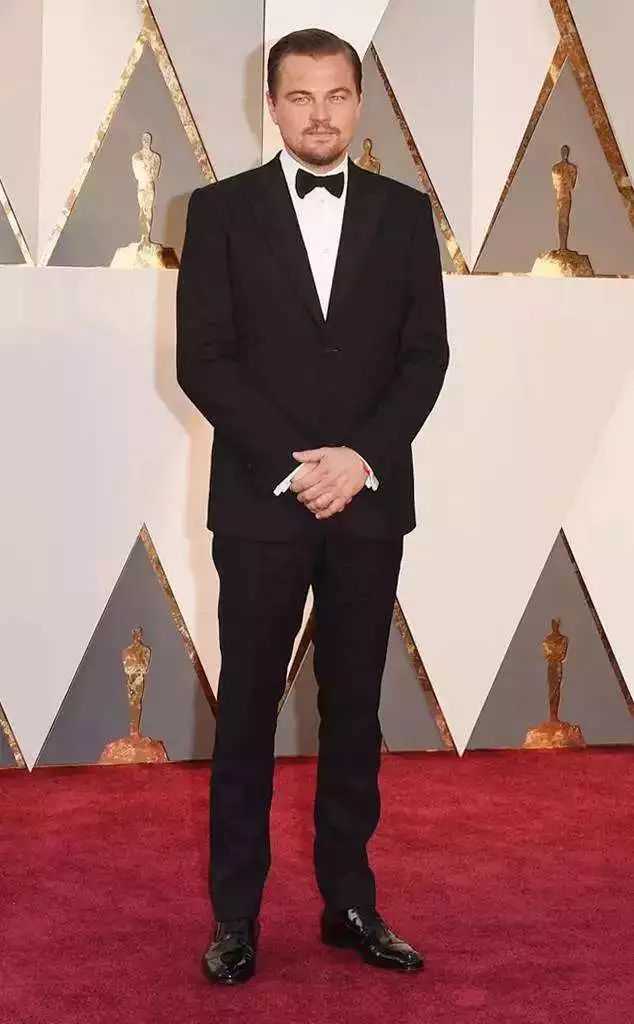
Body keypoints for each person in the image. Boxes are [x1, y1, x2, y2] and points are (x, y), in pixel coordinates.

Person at [176, 26, 450, 986]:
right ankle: (236, 917)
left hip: (368, 504)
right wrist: (300, 467)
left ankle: (350, 902)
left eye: (336, 95)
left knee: (355, 711)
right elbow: (204, 359)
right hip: (263, 503)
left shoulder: (406, 215)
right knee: (248, 710)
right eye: (300, 97)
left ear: (358, 102)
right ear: (272, 105)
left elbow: (426, 357)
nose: (320, 114)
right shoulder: (218, 212)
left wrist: (361, 459)